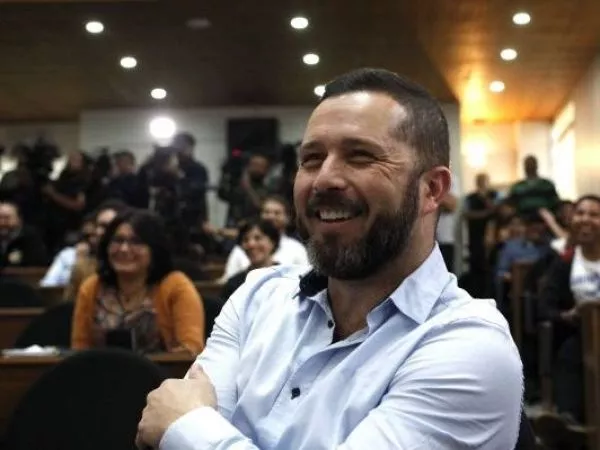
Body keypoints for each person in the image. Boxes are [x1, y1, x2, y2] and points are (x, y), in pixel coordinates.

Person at [137, 68, 522, 449]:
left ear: (432, 189)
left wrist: (185, 427)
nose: (323, 179)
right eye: (311, 158)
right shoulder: (257, 298)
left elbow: (180, 423)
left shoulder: (469, 347)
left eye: (360, 156)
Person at [71, 210, 205, 354]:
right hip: (100, 368)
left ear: (154, 250)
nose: (124, 249)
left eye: (136, 242)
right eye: (118, 240)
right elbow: (79, 351)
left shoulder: (175, 286)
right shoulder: (92, 288)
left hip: (163, 369)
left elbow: (190, 351)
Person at [537, 195, 600, 425]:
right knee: (570, 352)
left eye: (594, 215)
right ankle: (569, 421)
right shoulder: (565, 262)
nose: (586, 219)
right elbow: (544, 307)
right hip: (579, 333)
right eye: (580, 213)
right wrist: (566, 315)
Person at [221, 196, 309, 281]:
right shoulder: (242, 247)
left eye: (277, 213)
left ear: (288, 218)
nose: (271, 217)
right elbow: (228, 279)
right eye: (267, 212)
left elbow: (305, 278)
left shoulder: (297, 248)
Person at [63, 199, 127, 300]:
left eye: (106, 226)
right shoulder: (82, 268)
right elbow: (70, 305)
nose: (100, 232)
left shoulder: (135, 266)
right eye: (98, 226)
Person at [220, 219, 280, 301]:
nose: (251, 244)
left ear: (273, 242)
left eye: (258, 238)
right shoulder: (234, 284)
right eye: (245, 240)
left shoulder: (287, 277)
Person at [40, 213, 96, 287]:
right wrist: (77, 262)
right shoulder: (67, 254)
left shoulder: (106, 256)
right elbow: (48, 283)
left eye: (95, 235)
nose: (92, 240)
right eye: (87, 236)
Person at [218, 153, 271, 227]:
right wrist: (225, 174)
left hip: (256, 226)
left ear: (266, 169)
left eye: (260, 166)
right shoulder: (238, 185)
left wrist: (247, 187)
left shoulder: (269, 189)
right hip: (234, 225)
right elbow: (222, 194)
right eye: (254, 165)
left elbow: (261, 206)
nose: (256, 168)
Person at [172, 132, 210, 230]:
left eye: (183, 146)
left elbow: (197, 192)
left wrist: (180, 177)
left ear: (191, 147)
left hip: (194, 217)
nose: (179, 150)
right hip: (173, 218)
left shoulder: (198, 168)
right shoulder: (171, 168)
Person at [464, 173, 497, 272]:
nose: (483, 184)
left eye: (484, 181)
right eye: (480, 181)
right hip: (475, 234)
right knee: (476, 262)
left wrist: (486, 199)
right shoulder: (470, 198)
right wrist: (486, 213)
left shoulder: (494, 195)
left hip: (492, 233)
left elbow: (496, 210)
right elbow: (467, 214)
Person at [0, 201, 47, 268]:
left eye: (7, 218)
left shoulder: (31, 238)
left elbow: (36, 265)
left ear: (19, 219)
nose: (2, 222)